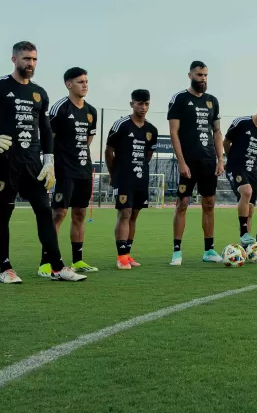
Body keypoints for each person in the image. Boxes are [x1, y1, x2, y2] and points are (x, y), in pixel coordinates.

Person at [0, 42, 78, 282]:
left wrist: (48, 160)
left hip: (33, 163)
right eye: (25, 59)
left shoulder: (39, 92)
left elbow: (45, 127)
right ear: (14, 60)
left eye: (34, 59)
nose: (30, 64)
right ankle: (6, 268)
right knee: (4, 213)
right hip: (7, 161)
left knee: (44, 212)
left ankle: (58, 267)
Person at [167, 61, 224, 264]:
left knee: (209, 204)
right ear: (190, 75)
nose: (203, 79)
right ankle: (176, 251)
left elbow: (217, 132)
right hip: (188, 162)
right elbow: (173, 132)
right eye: (200, 75)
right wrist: (181, 162)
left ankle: (209, 250)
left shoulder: (212, 101)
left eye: (206, 75)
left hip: (208, 161)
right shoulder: (179, 99)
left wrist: (220, 159)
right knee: (182, 203)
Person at [48, 67, 98, 273]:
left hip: (84, 170)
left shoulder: (91, 111)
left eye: (86, 81)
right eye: (80, 82)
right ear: (69, 84)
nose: (85, 85)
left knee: (80, 213)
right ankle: (47, 261)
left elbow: (88, 140)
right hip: (64, 169)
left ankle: (77, 260)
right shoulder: (59, 108)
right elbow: (48, 138)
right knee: (59, 213)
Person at [105, 90, 158, 269]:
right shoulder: (121, 125)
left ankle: (127, 254)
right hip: (123, 177)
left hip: (141, 178)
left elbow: (148, 154)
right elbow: (108, 151)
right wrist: (114, 174)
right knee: (124, 213)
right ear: (131, 104)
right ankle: (121, 256)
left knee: (134, 214)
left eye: (146, 104)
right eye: (139, 104)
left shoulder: (152, 130)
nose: (143, 108)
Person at [225, 101, 257, 248]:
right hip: (236, 166)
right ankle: (244, 232)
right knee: (246, 192)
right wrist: (230, 161)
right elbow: (226, 142)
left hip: (252, 169)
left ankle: (245, 245)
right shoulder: (241, 122)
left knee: (251, 208)